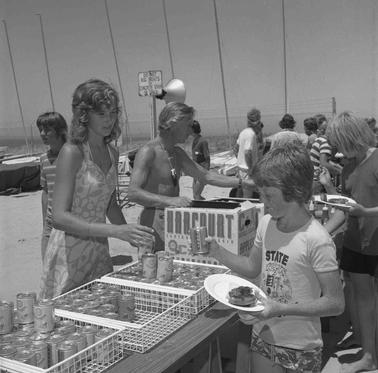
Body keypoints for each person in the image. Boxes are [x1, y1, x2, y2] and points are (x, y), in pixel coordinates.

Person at [206, 142, 344, 373]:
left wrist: (280, 308)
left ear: (294, 191)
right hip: (264, 336)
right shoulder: (266, 224)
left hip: (302, 346)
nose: (263, 202)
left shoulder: (317, 239)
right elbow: (252, 267)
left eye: (268, 195)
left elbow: (335, 303)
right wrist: (218, 251)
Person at [40, 79, 154, 298]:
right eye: (101, 114)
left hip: (98, 251)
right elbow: (59, 218)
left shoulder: (112, 152)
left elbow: (109, 203)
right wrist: (116, 231)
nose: (109, 120)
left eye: (113, 113)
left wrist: (131, 234)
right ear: (84, 115)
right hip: (68, 253)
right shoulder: (72, 152)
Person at [127, 102, 255, 252]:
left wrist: (243, 183)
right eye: (188, 125)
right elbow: (133, 193)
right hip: (152, 223)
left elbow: (206, 175)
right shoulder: (148, 152)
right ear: (174, 123)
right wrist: (170, 201)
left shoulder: (176, 153)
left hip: (173, 221)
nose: (190, 130)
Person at [326, 112, 378, 373]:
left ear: (351, 138)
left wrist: (366, 212)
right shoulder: (347, 167)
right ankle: (368, 354)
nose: (338, 150)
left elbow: (361, 208)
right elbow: (344, 209)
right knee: (363, 299)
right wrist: (324, 232)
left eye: (339, 143)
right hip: (356, 243)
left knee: (370, 300)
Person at [37, 112, 68, 261]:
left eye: (47, 130)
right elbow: (46, 192)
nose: (42, 134)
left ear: (60, 130)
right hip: (51, 221)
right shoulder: (43, 158)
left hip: (70, 220)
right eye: (40, 130)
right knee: (47, 263)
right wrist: (45, 223)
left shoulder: (74, 155)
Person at [233, 107, 262, 198]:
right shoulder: (251, 134)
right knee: (247, 198)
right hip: (247, 171)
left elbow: (235, 149)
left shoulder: (243, 132)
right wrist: (251, 169)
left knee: (239, 194)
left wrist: (239, 161)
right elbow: (247, 152)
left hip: (240, 169)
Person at [191, 120, 210, 200]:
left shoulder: (203, 141)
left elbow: (207, 158)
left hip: (202, 172)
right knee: (195, 195)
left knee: (197, 195)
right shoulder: (194, 141)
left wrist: (206, 173)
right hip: (196, 171)